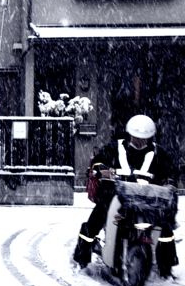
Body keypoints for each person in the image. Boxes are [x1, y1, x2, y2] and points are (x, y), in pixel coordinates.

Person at [73, 114, 179, 276]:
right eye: (136, 137)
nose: (140, 141)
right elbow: (99, 160)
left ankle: (166, 267)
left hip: (147, 198)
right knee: (97, 218)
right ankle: (82, 257)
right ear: (129, 134)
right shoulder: (116, 148)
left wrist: (170, 183)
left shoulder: (159, 153)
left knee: (165, 228)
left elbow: (170, 171)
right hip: (116, 194)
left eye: (144, 138)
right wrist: (102, 168)